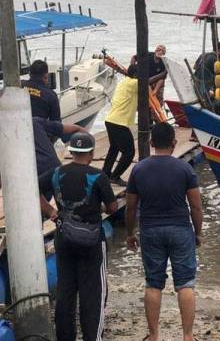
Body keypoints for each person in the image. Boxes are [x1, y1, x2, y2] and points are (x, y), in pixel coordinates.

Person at [126, 122, 203, 341]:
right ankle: (187, 336)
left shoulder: (139, 169)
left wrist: (130, 233)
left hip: (150, 230)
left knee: (153, 283)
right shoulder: (184, 169)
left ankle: (153, 336)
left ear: (151, 143)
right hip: (180, 229)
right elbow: (196, 206)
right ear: (174, 143)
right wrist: (198, 233)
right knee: (185, 283)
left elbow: (131, 206)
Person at [38, 132, 118, 341]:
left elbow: (33, 188)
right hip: (92, 241)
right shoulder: (98, 176)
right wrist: (99, 206)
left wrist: (51, 211)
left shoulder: (56, 173)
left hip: (64, 237)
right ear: (91, 153)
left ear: (71, 151)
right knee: (93, 293)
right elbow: (111, 207)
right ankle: (92, 337)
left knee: (66, 290)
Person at [102, 64, 139, 186]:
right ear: (135, 75)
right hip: (119, 122)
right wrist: (163, 75)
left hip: (111, 120)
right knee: (129, 152)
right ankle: (115, 176)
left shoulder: (124, 82)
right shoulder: (133, 83)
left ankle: (106, 174)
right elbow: (147, 82)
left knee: (114, 148)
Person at [33, 117, 85, 200]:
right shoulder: (35, 122)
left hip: (37, 174)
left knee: (35, 197)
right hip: (54, 168)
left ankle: (49, 211)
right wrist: (78, 128)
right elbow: (61, 128)